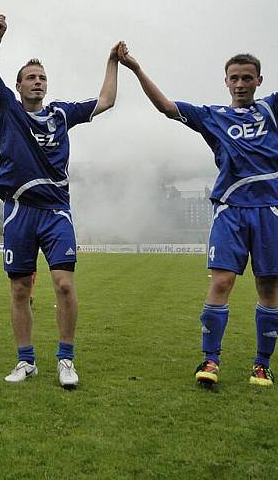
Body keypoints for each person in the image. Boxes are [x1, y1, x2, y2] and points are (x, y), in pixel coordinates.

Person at [118, 44, 278, 388]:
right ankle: (210, 359)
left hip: (269, 211)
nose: (240, 83)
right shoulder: (213, 116)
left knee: (268, 287)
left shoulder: (272, 109)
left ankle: (262, 365)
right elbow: (167, 107)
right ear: (225, 81)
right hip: (230, 211)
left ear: (259, 80)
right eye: (234, 78)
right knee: (221, 282)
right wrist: (134, 67)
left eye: (247, 78)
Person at [0, 14, 120, 389]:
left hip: (56, 211)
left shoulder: (61, 113)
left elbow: (106, 100)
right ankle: (26, 361)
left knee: (64, 285)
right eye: (31, 77)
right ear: (19, 85)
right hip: (19, 212)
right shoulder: (6, 109)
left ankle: (66, 359)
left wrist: (113, 61)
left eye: (42, 77)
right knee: (20, 289)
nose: (38, 82)